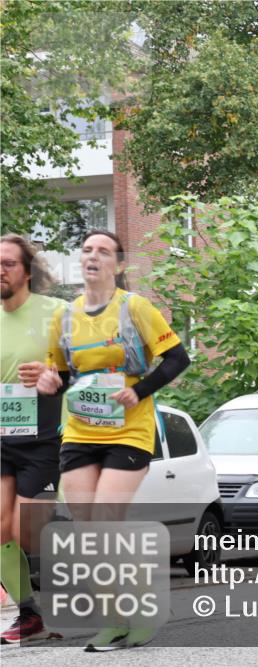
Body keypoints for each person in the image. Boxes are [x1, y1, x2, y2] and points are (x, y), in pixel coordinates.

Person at [35, 230, 190, 651]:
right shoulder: (64, 317)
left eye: (103, 251)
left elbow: (178, 358)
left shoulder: (134, 307)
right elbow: (62, 374)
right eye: (86, 250)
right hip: (82, 431)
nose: (92, 256)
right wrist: (50, 380)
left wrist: (138, 391)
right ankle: (114, 620)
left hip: (129, 429)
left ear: (118, 265)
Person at [0, 235, 66, 645]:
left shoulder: (57, 312)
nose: (0, 270)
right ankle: (28, 613)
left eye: (7, 263)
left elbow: (88, 366)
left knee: (27, 532)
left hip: (43, 436)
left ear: (27, 270)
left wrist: (54, 376)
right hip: (0, 436)